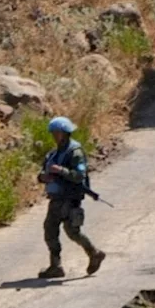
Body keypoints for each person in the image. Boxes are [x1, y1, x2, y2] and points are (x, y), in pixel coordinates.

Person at [37, 117, 105, 279]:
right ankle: (58, 264)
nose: (54, 136)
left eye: (57, 133)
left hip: (69, 197)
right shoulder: (53, 153)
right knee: (56, 230)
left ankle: (90, 254)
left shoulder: (75, 153)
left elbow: (78, 176)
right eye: (53, 133)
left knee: (66, 231)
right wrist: (43, 177)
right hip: (56, 197)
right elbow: (42, 172)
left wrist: (60, 171)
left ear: (65, 133)